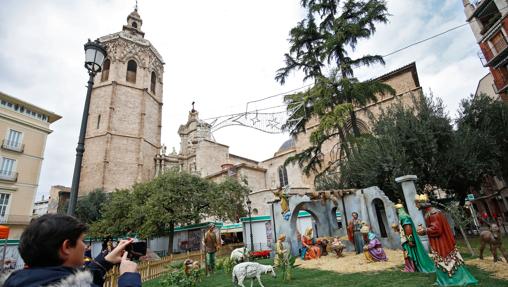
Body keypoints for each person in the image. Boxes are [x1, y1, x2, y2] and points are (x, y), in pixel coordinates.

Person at [1, 214, 140, 287]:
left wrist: (104, 262)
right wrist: (128, 278)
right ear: (66, 247)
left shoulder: (18, 281)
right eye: (82, 240)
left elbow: (69, 281)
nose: (85, 246)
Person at [415, 194, 478, 286]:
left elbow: (437, 229)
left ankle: (452, 280)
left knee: (445, 259)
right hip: (439, 241)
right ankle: (445, 279)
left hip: (442, 242)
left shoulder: (433, 214)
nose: (416, 206)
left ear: (422, 203)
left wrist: (424, 231)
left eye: (417, 203)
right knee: (443, 259)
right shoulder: (430, 212)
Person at [393, 203, 435, 273]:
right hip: (407, 238)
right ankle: (411, 267)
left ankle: (410, 267)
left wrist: (410, 240)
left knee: (408, 252)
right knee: (408, 252)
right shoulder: (404, 216)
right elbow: (404, 228)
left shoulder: (403, 217)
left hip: (407, 239)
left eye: (397, 210)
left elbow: (408, 228)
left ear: (398, 210)